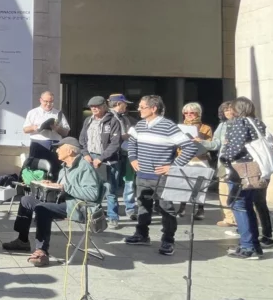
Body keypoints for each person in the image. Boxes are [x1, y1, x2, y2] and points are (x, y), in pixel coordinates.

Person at [3, 138, 103, 267]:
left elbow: (93, 194)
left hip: (77, 206)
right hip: (62, 201)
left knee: (42, 209)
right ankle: (22, 241)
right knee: (26, 200)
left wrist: (64, 187)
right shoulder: (64, 168)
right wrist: (52, 185)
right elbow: (63, 187)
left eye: (60, 147)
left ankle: (42, 251)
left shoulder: (84, 168)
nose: (56, 150)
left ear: (71, 150)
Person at [124, 95, 198, 256]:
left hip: (162, 177)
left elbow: (190, 148)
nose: (139, 109)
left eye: (142, 107)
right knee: (143, 205)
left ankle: (168, 240)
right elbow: (131, 143)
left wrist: (173, 167)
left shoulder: (168, 126)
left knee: (166, 209)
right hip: (142, 174)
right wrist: (133, 158)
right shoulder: (140, 125)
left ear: (153, 108)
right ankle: (142, 234)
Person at [219, 96, 271, 260]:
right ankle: (252, 244)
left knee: (238, 204)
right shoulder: (257, 122)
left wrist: (224, 158)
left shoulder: (239, 123)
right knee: (246, 205)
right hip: (255, 169)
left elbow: (236, 146)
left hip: (241, 169)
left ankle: (248, 247)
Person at [78, 96, 123, 229]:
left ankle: (113, 217)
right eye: (92, 107)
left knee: (110, 189)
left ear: (104, 106)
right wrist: (85, 154)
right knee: (92, 188)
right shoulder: (88, 120)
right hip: (90, 157)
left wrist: (101, 158)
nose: (94, 109)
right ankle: (95, 215)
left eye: (97, 107)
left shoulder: (113, 121)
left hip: (107, 160)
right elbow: (82, 139)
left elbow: (115, 144)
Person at [196, 101, 237, 228]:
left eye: (231, 110)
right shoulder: (222, 126)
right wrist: (202, 142)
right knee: (224, 190)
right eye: (226, 110)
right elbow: (215, 144)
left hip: (239, 163)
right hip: (224, 163)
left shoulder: (242, 124)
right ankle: (229, 218)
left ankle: (239, 218)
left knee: (237, 192)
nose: (229, 112)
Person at [177, 102, 214, 220]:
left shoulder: (206, 128)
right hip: (184, 158)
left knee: (200, 185)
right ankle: (182, 207)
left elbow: (210, 144)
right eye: (186, 113)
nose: (188, 115)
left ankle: (200, 209)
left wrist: (200, 139)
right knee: (184, 184)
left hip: (200, 159)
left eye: (192, 113)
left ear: (198, 113)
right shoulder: (180, 127)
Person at [108, 93, 137, 223]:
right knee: (111, 185)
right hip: (113, 155)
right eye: (125, 104)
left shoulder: (125, 118)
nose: (126, 107)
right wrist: (123, 136)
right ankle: (112, 215)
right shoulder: (107, 117)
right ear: (119, 104)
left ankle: (130, 208)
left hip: (127, 153)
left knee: (129, 182)